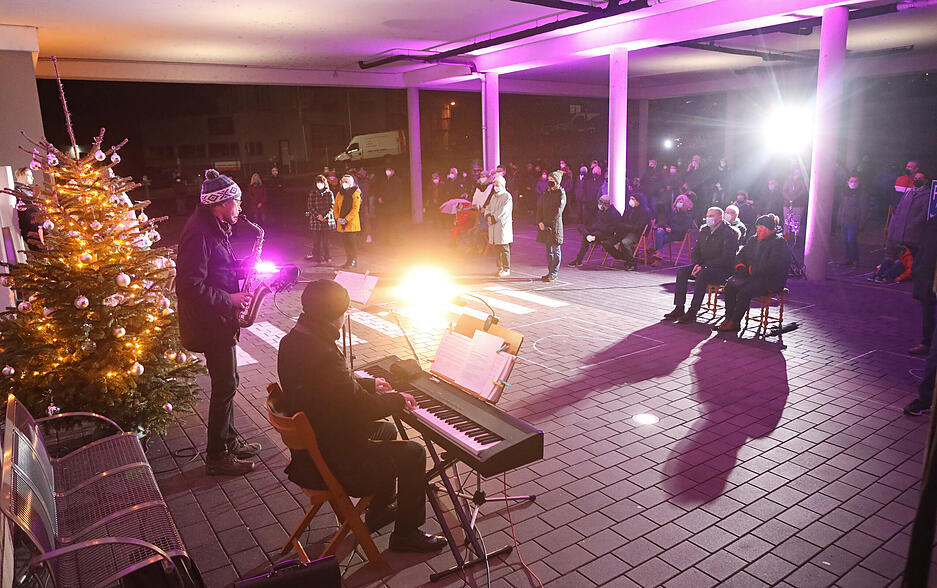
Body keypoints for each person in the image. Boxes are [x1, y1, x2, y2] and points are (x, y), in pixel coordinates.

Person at [276, 279, 447, 552]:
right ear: (337, 315)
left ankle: (378, 511)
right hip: (336, 461)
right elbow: (361, 407)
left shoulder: (293, 340)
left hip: (315, 445)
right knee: (413, 453)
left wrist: (368, 384)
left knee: (387, 432)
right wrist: (397, 399)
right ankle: (406, 534)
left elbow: (328, 389)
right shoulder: (323, 352)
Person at [176, 169, 260, 476]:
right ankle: (217, 455)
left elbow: (214, 267)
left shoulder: (213, 225)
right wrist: (232, 300)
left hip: (217, 319)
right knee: (224, 383)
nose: (240, 207)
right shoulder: (200, 232)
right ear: (220, 203)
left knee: (231, 382)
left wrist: (242, 267)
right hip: (209, 322)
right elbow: (188, 286)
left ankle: (228, 440)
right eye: (236, 201)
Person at [716, 214, 792, 333]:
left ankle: (735, 322)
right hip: (751, 276)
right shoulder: (753, 239)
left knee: (744, 292)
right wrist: (740, 266)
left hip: (769, 280)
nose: (758, 230)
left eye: (761, 228)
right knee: (729, 287)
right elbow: (741, 254)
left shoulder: (779, 243)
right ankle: (728, 318)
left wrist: (751, 270)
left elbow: (773, 265)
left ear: (769, 230)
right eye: (757, 227)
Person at [664, 207, 739, 323]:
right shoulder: (704, 230)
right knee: (682, 272)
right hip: (703, 265)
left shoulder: (729, 232)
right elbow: (696, 250)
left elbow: (727, 257)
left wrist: (703, 266)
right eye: (708, 215)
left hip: (722, 270)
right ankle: (679, 307)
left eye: (712, 216)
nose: (709, 218)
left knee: (702, 274)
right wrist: (697, 264)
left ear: (720, 217)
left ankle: (693, 310)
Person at [568, 195, 622, 267]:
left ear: (604, 204)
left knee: (586, 238)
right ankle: (588, 235)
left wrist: (597, 229)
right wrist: (592, 229)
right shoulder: (601, 211)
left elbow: (612, 229)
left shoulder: (614, 213)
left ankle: (579, 259)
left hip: (605, 234)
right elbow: (596, 223)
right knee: (580, 227)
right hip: (596, 231)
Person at [605, 194, 650, 270]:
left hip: (635, 233)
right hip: (624, 232)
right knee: (607, 243)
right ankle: (623, 257)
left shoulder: (644, 211)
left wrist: (626, 226)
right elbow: (622, 220)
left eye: (633, 199)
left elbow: (639, 227)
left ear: (638, 201)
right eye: (630, 198)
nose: (631, 201)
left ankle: (632, 263)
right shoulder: (628, 209)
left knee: (625, 242)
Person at [536, 171, 566, 282]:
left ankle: (554, 273)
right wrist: (539, 221)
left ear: (557, 181)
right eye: (549, 180)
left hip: (555, 227)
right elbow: (539, 207)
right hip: (545, 226)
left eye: (552, 180)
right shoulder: (546, 193)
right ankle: (550, 272)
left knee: (555, 250)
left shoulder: (561, 193)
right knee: (548, 251)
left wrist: (547, 222)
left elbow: (558, 211)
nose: (550, 182)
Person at [484, 175, 513, 278]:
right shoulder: (493, 196)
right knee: (497, 248)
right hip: (493, 226)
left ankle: (506, 268)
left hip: (502, 226)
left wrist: (493, 218)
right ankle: (499, 267)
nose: (496, 186)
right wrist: (487, 215)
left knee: (504, 247)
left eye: (498, 184)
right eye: (494, 184)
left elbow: (504, 211)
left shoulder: (507, 196)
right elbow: (488, 207)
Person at [837, 175, 867, 268]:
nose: (853, 183)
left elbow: (864, 209)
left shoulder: (862, 194)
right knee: (845, 241)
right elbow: (841, 207)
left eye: (855, 181)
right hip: (844, 220)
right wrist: (839, 218)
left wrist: (862, 222)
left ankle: (855, 259)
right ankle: (847, 258)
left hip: (854, 221)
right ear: (847, 182)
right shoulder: (845, 193)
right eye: (851, 181)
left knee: (851, 240)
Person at [334, 174, 362, 269]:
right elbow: (335, 207)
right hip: (342, 223)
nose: (344, 183)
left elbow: (355, 209)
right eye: (343, 181)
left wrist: (346, 219)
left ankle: (353, 261)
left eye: (346, 182)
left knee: (352, 244)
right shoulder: (339, 193)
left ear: (351, 183)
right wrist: (338, 218)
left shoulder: (355, 193)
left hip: (351, 224)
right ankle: (348, 260)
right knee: (346, 244)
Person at [306, 174, 335, 263]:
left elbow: (332, 206)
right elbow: (310, 206)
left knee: (326, 241)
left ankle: (328, 256)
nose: (319, 184)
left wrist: (324, 216)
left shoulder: (329, 193)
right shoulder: (312, 193)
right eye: (318, 182)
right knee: (316, 241)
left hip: (326, 221)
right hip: (316, 221)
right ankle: (317, 256)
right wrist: (318, 216)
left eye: (321, 182)